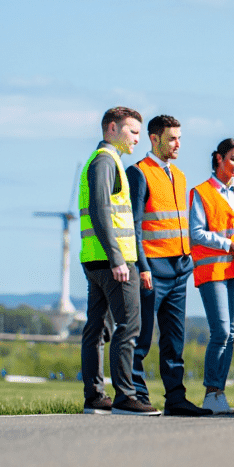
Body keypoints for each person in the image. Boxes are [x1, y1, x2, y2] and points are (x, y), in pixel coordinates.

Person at [126, 115, 212, 417]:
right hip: (152, 269)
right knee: (142, 337)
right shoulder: (138, 173)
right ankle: (135, 394)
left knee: (175, 341)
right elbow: (134, 226)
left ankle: (176, 399)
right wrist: (144, 267)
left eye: (179, 138)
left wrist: (187, 258)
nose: (177, 144)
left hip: (179, 269)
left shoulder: (179, 175)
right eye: (172, 138)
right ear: (154, 139)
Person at [79, 106, 158, 415]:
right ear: (112, 128)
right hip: (114, 263)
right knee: (128, 326)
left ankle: (96, 397)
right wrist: (117, 258)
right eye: (133, 131)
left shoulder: (106, 161)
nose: (137, 139)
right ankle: (126, 396)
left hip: (97, 259)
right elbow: (100, 211)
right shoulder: (105, 162)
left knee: (97, 329)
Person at [190, 138, 234, 416]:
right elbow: (197, 232)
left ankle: (219, 394)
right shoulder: (201, 192)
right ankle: (212, 392)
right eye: (233, 159)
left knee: (231, 333)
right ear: (218, 158)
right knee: (220, 330)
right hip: (213, 269)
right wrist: (230, 245)